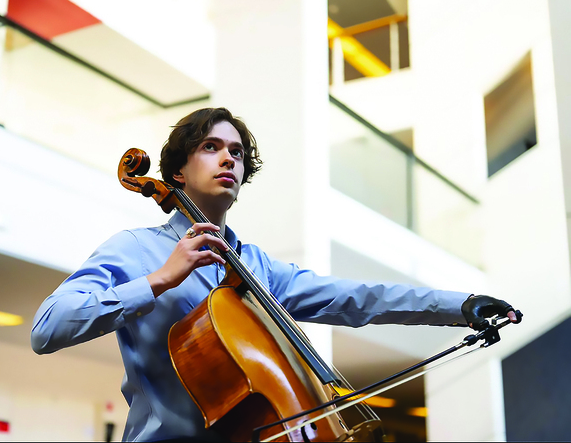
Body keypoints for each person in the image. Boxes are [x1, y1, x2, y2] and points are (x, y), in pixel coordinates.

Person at [31, 107, 520, 442]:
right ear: (176, 172)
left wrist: (458, 307)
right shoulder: (135, 249)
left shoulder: (256, 268)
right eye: (210, 147)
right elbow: (47, 328)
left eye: (237, 153)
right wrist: (159, 279)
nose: (228, 158)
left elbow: (357, 299)